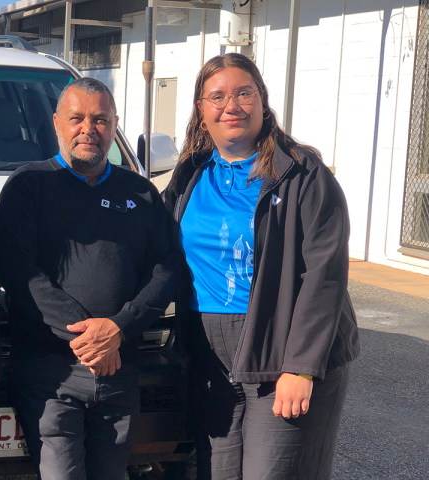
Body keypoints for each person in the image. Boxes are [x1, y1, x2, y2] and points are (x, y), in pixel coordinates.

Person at [162, 53, 359, 480]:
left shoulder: (303, 175)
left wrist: (302, 367)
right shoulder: (189, 176)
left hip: (282, 345)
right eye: (217, 96)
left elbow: (324, 276)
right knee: (218, 471)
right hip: (209, 352)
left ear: (262, 102)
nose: (230, 105)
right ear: (201, 111)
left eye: (243, 93)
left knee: (274, 472)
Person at [0, 77, 177, 480]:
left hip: (120, 369)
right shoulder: (28, 186)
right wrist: (88, 338)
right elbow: (19, 272)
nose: (88, 129)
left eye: (100, 119)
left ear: (114, 126)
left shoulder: (142, 193)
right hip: (51, 373)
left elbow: (165, 271)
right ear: (57, 123)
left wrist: (117, 329)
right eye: (77, 118)